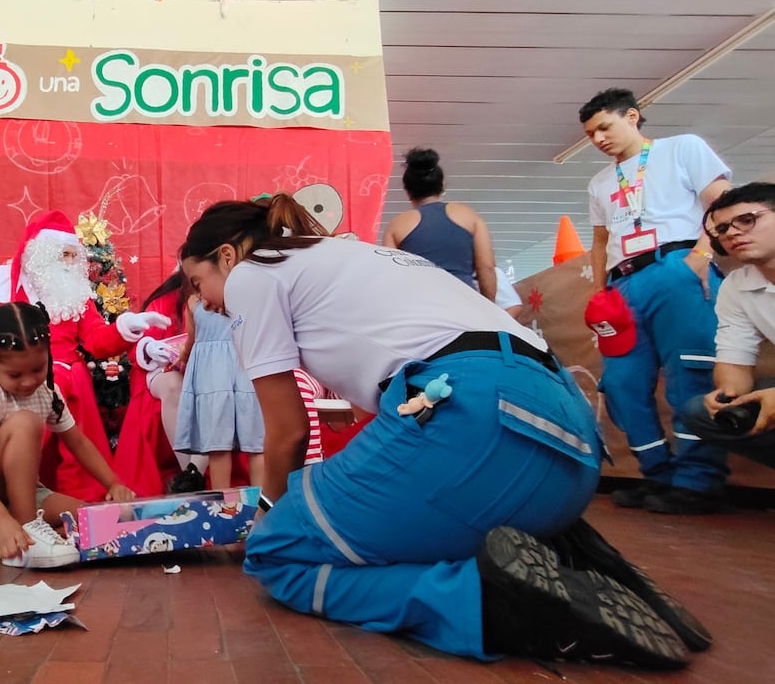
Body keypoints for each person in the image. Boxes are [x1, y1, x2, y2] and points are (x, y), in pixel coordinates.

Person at [177, 193, 704, 668]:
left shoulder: (253, 273)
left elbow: (288, 432)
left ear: (227, 255)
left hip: (476, 419)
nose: (205, 302)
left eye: (198, 283)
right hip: (571, 443)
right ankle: (579, 563)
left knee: (280, 552)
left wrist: (265, 520)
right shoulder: (356, 252)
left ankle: (497, 606)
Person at [0, 210, 170, 510]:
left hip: (60, 367)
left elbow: (94, 340)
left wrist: (122, 328)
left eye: (72, 255)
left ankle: (26, 484)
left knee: (57, 385)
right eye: (62, 254)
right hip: (3, 365)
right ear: (41, 253)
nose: (69, 263)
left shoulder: (76, 290)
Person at [579, 87, 732, 515]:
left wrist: (700, 258)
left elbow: (721, 203)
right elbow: (600, 239)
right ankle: (659, 475)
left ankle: (697, 481)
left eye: (604, 127)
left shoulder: (683, 148)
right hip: (621, 284)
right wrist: (600, 290)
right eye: (591, 134)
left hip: (676, 265)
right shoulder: (600, 182)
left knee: (692, 370)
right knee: (624, 383)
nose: (598, 139)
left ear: (632, 116)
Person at [0, 301, 136, 568]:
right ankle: (22, 530)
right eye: (15, 374)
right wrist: (0, 519)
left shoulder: (48, 393)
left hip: (22, 494)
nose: (28, 382)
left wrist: (113, 483)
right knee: (24, 422)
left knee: (89, 516)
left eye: (37, 369)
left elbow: (78, 442)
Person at [683, 182, 775, 470]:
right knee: (701, 412)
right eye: (722, 229)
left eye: (747, 220)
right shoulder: (737, 285)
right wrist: (729, 396)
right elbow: (735, 360)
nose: (732, 233)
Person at [113, 269, 204, 496]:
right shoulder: (167, 299)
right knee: (174, 385)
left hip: (210, 372)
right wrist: (151, 348)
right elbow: (140, 344)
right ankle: (190, 476)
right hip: (165, 372)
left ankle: (197, 473)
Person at [174, 293, 266, 490]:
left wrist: (183, 354)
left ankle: (222, 502)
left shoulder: (194, 302)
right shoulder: (246, 294)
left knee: (218, 446)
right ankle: (263, 505)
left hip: (212, 377)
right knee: (256, 444)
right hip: (246, 369)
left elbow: (191, 340)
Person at [382, 147, 497, 302]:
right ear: (442, 184)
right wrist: (488, 308)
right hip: (466, 303)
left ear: (407, 190)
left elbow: (392, 278)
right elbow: (487, 267)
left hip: (421, 306)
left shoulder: (396, 226)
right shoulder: (469, 216)